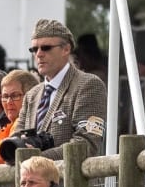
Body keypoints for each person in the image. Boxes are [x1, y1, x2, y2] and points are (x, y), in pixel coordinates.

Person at [15, 19, 107, 160]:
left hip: (69, 181)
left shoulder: (89, 85)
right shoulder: (31, 95)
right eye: (34, 49)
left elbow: (86, 144)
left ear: (66, 49)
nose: (38, 54)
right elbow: (16, 139)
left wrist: (34, 159)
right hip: (30, 180)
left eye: (46, 48)